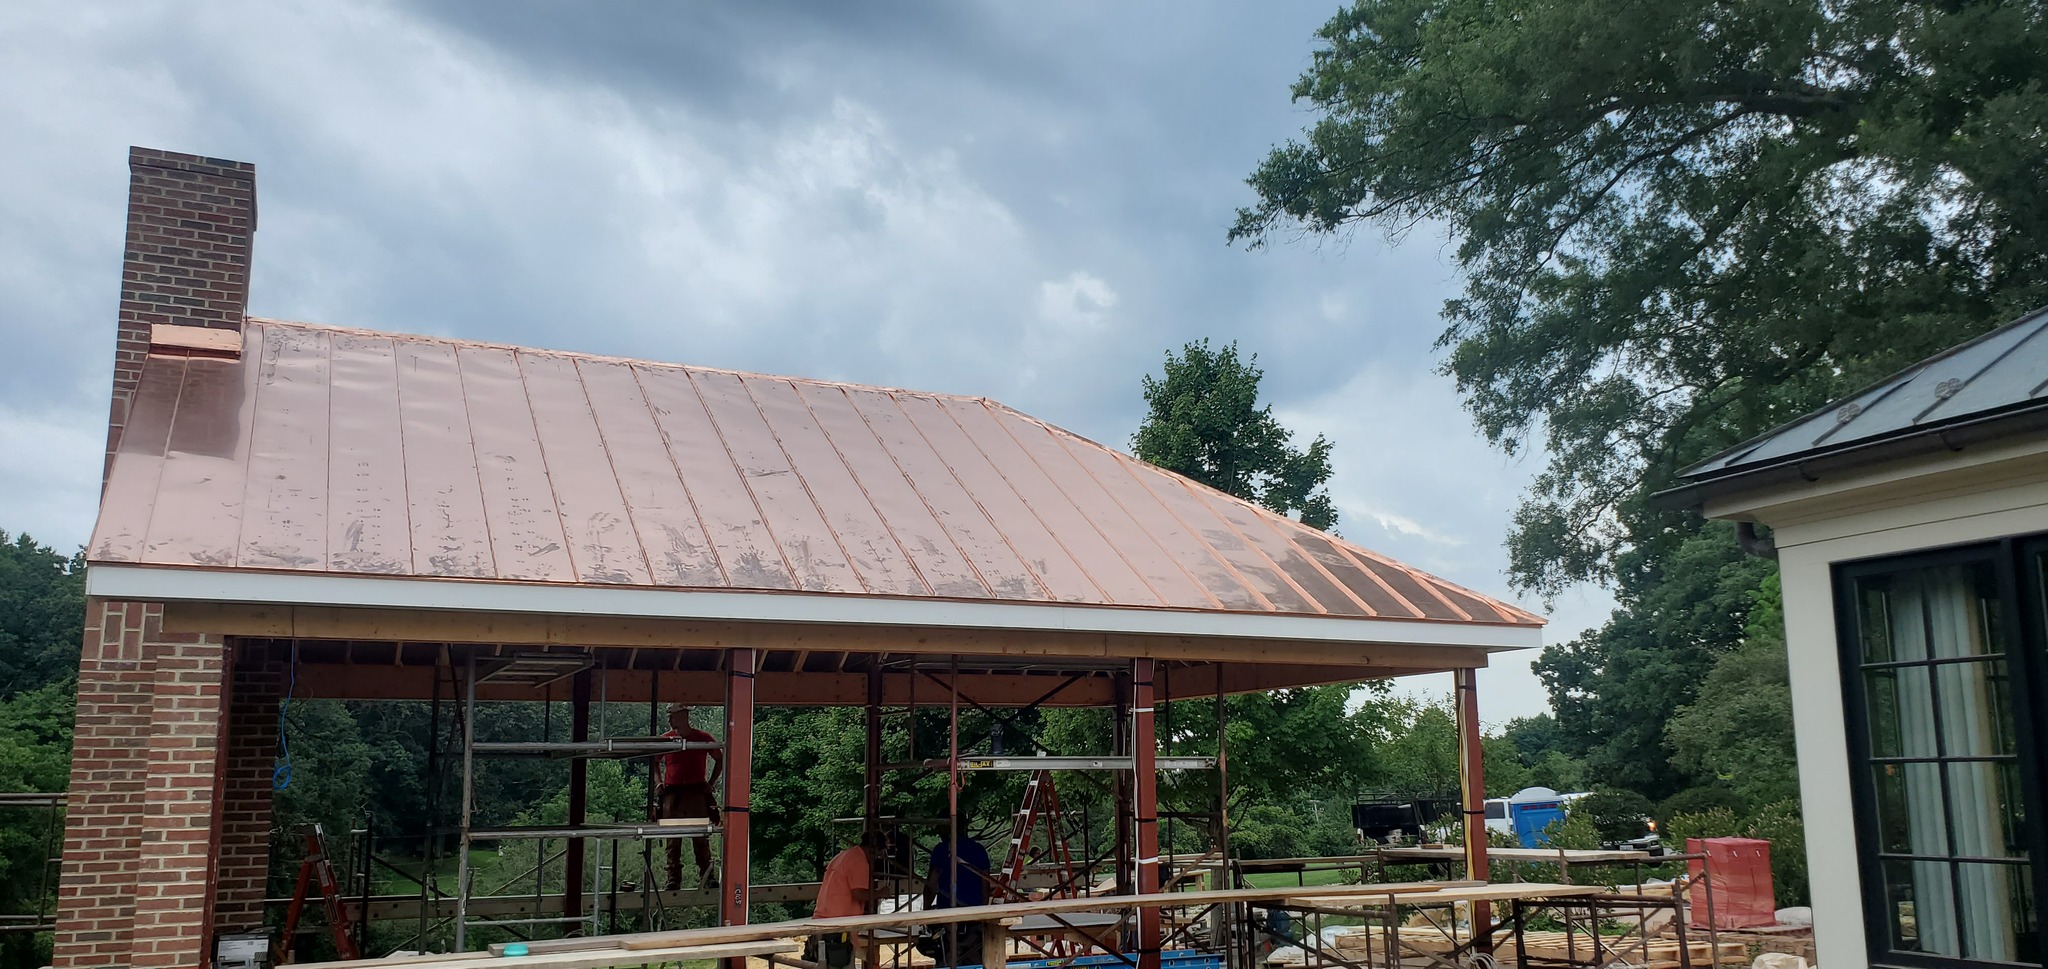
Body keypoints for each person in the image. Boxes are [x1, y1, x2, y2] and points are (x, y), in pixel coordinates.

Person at [654, 703, 723, 891]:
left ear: (683, 716)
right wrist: (659, 783)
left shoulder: (702, 738)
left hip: (696, 793)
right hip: (672, 794)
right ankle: (673, 878)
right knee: (672, 838)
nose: (670, 720)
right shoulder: (665, 740)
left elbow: (719, 758)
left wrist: (711, 783)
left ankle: (707, 875)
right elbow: (654, 761)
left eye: (673, 716)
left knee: (701, 836)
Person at [921, 812, 992, 967]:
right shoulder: (978, 849)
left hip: (949, 917)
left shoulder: (942, 849)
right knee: (974, 961)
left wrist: (925, 911)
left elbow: (931, 885)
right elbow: (986, 885)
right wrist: (983, 913)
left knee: (948, 959)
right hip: (973, 916)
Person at [808, 830, 881, 969]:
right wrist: (879, 893)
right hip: (840, 925)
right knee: (841, 962)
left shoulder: (842, 856)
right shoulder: (859, 861)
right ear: (874, 849)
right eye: (878, 854)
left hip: (824, 918)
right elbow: (859, 893)